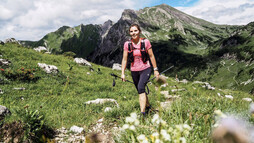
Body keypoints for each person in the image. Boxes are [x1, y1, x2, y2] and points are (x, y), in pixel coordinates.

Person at [121, 23, 159, 117]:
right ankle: (149, 107)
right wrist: (123, 73)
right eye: (131, 31)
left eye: (135, 30)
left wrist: (155, 69)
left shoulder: (145, 42)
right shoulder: (127, 44)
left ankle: (143, 114)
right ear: (129, 33)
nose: (133, 33)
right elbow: (125, 59)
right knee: (140, 89)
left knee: (141, 88)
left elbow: (151, 56)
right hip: (134, 70)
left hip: (146, 68)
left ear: (139, 32)